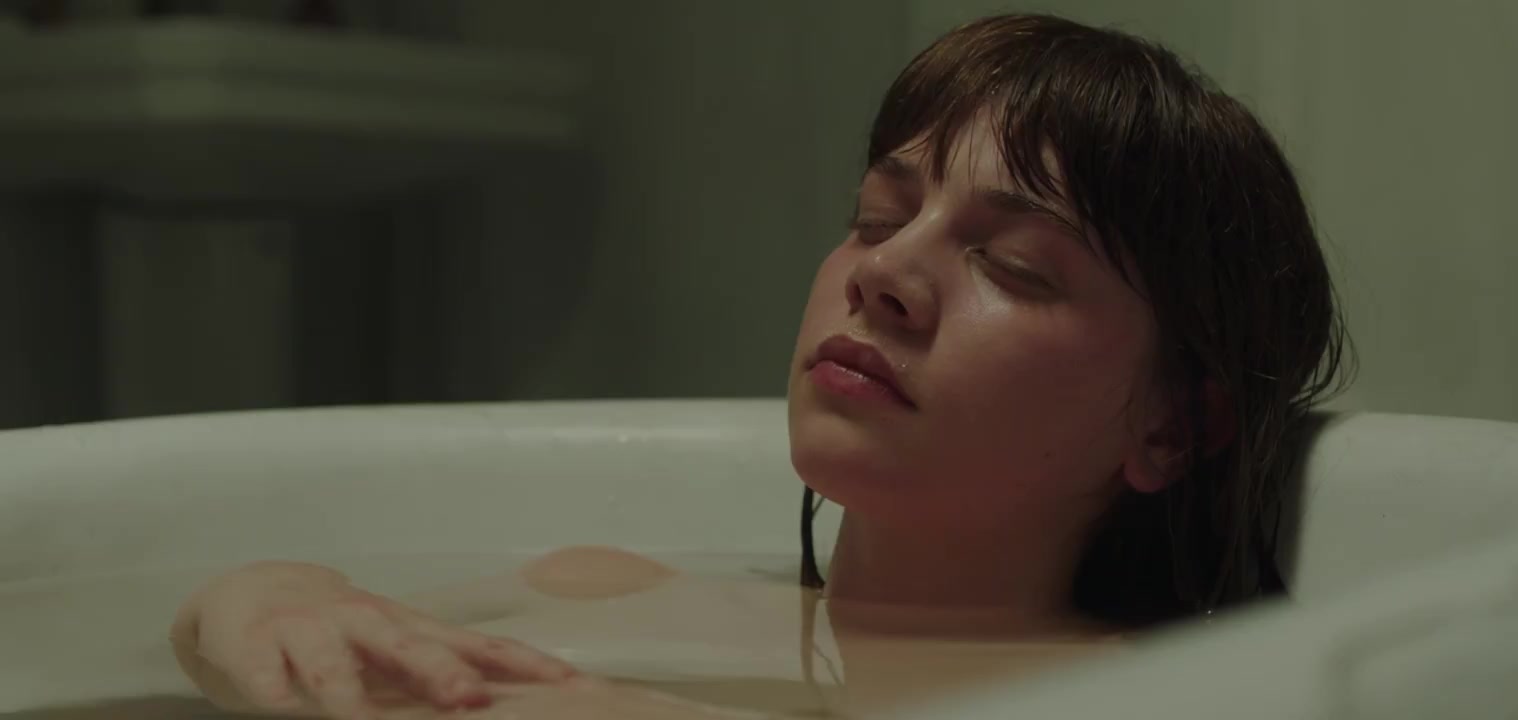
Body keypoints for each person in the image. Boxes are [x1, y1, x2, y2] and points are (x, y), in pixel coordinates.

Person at [169, 12, 1350, 719]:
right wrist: (268, 598)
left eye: (1017, 266)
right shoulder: (602, 587)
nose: (884, 274)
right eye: (878, 217)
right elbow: (211, 636)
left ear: (1171, 427)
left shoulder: (1147, 692)